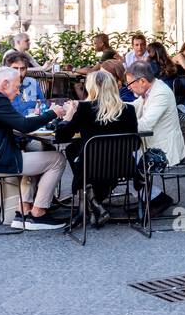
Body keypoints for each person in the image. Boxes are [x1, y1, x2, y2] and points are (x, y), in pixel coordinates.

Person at [0, 66, 70, 229]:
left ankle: (22, 211)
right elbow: (24, 125)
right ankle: (39, 214)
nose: (18, 93)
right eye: (17, 87)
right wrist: (52, 113)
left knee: (36, 149)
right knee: (57, 159)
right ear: (4, 84)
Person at [53, 70, 139, 227]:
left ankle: (90, 199)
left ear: (92, 88)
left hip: (91, 167)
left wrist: (68, 116)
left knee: (74, 150)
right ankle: (94, 202)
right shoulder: (129, 110)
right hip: (123, 166)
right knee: (74, 148)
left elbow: (61, 136)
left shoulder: (85, 109)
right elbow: (136, 144)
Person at [125, 61, 185, 218]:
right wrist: (110, 107)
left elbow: (145, 125)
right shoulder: (151, 89)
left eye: (130, 83)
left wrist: (119, 123)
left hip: (162, 150)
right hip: (151, 143)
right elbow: (132, 106)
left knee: (123, 159)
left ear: (142, 81)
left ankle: (157, 199)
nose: (129, 87)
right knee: (121, 156)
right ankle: (147, 198)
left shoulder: (160, 93)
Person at [3, 51, 48, 117]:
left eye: (22, 69)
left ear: (27, 69)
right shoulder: (0, 87)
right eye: (15, 68)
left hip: (31, 123)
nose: (19, 72)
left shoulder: (33, 83)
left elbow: (42, 105)